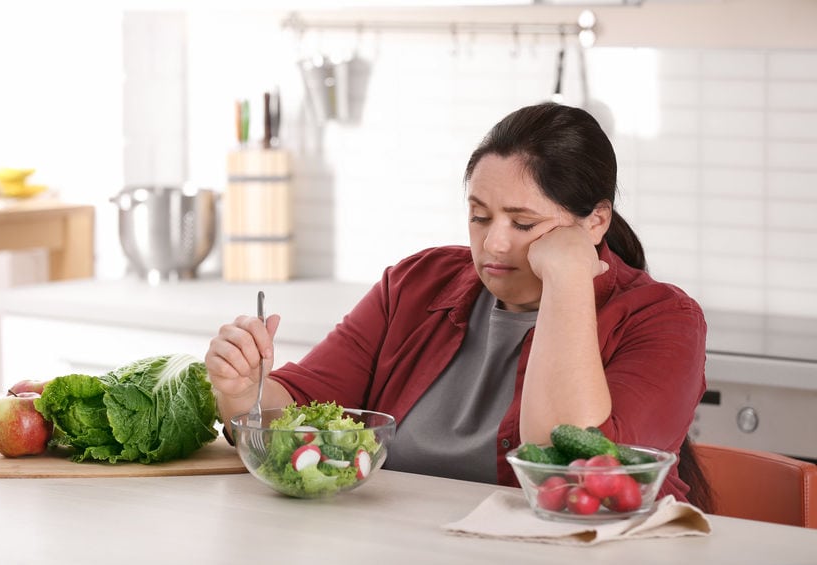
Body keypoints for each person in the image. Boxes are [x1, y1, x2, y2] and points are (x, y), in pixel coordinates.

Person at [205, 102, 712, 510]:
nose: (492, 245)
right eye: (479, 216)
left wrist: (569, 279)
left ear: (596, 222)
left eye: (523, 224)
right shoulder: (415, 284)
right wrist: (243, 394)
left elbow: (570, 466)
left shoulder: (665, 320)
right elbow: (299, 410)